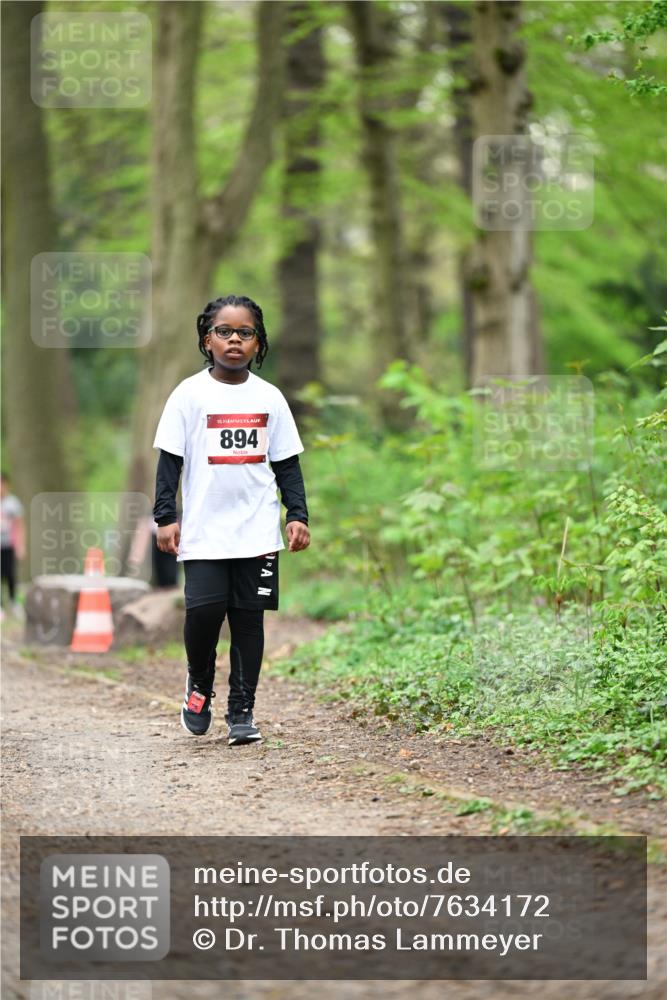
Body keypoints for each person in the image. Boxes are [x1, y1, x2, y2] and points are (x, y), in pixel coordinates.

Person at [152, 294, 310, 746]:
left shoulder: (270, 398)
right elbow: (170, 461)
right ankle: (199, 682)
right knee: (202, 614)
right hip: (204, 530)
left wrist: (296, 514)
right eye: (225, 331)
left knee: (248, 622)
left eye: (245, 333)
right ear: (208, 339)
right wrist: (165, 516)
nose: (235, 340)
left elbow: (287, 465)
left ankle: (242, 712)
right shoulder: (188, 394)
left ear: (258, 344)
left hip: (256, 530)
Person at [0, 472, 25, 619]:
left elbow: (20, 525)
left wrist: (20, 545)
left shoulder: (12, 503)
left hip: (9, 544)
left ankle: (14, 603)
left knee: (10, 575)